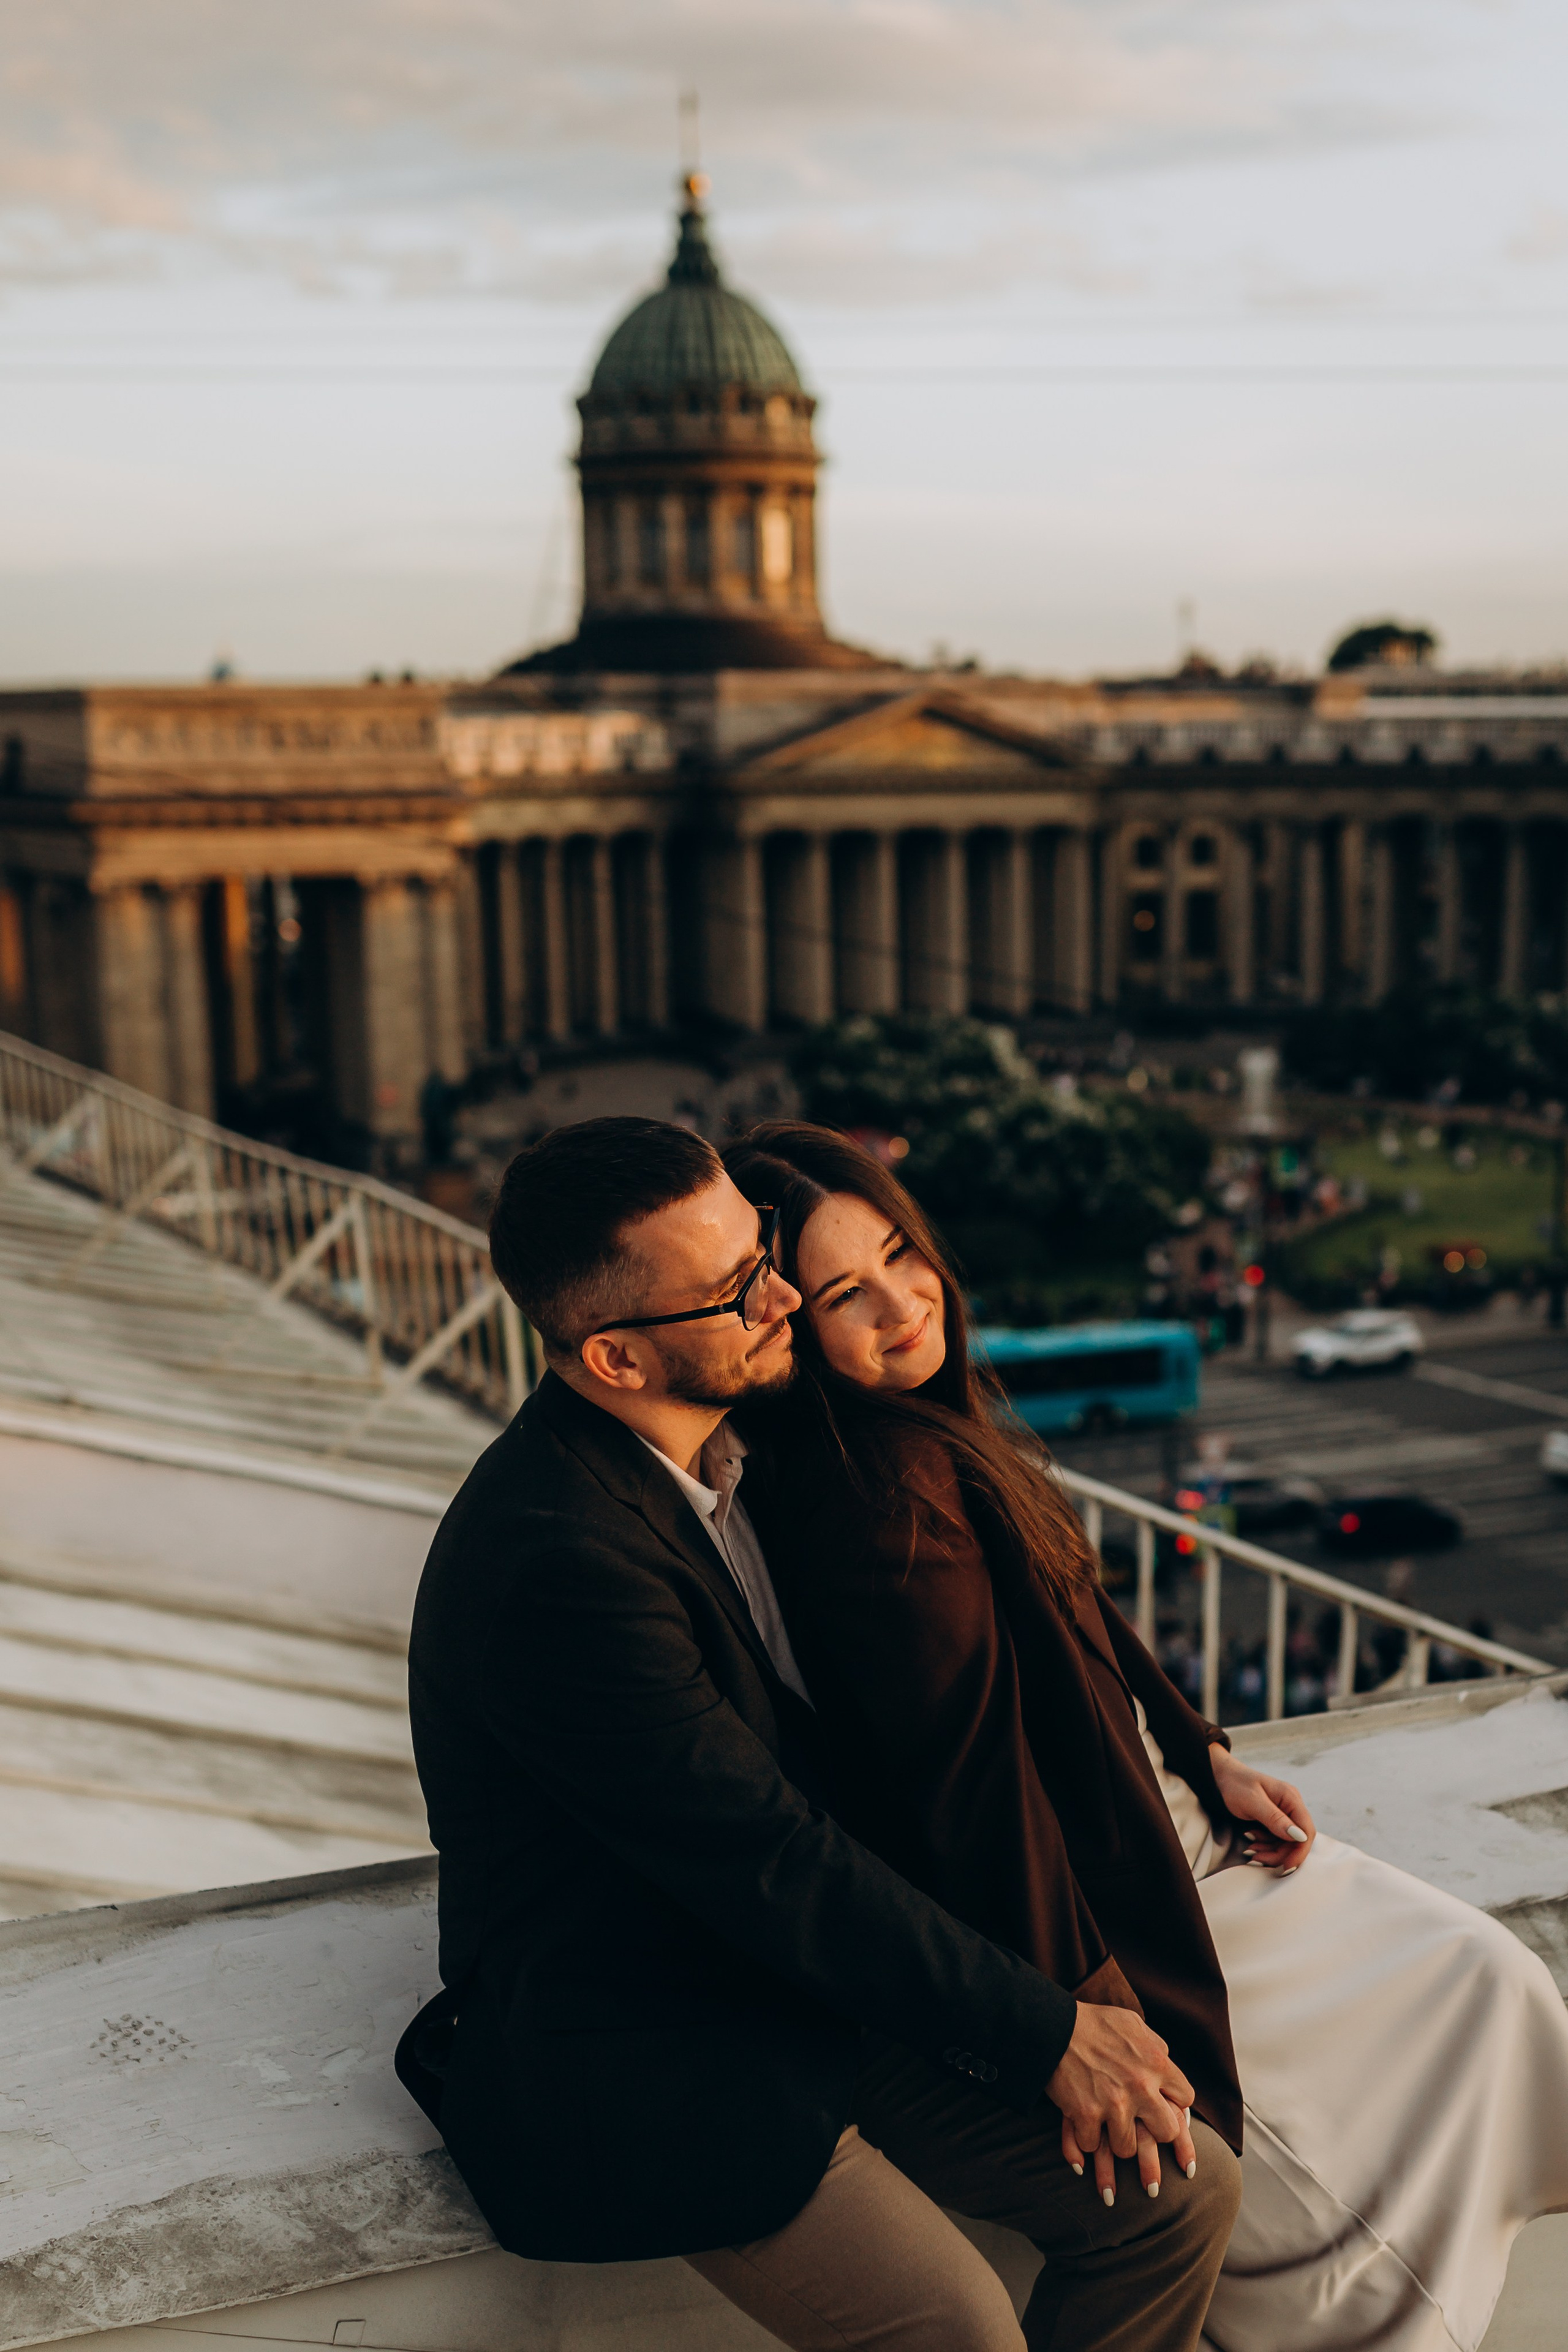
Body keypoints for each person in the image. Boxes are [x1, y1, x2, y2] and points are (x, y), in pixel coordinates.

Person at [399, 1115, 1241, 2352]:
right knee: (955, 2329)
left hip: (810, 1986)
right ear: (617, 1358)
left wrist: (1192, 1738)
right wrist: (1048, 2029)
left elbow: (1032, 1579)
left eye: (762, 1254)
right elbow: (766, 1858)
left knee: (1176, 2198)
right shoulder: (556, 1560)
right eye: (738, 1289)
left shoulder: (730, 1445)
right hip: (666, 2042)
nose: (786, 1295)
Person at [723, 1121, 1568, 2352]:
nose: (903, 1304)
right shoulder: (881, 1494)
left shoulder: (920, 1435)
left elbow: (1077, 1609)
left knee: (1486, 1979)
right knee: (1432, 2054)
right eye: (846, 1292)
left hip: (1158, 1822)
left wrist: (1199, 1745)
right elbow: (972, 1785)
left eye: (900, 1255)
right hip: (1112, 1894)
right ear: (790, 1328)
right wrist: (1084, 2009)